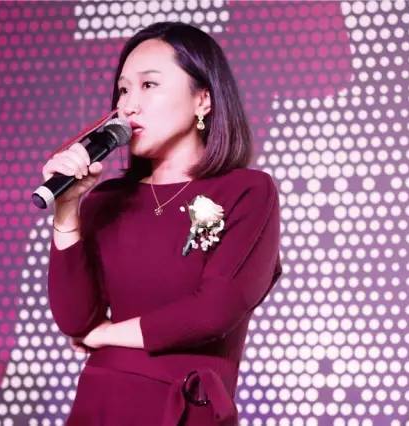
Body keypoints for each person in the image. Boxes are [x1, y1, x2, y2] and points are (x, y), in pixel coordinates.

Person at [42, 22, 282, 426]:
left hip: (185, 409)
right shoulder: (105, 201)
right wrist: (67, 210)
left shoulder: (248, 192)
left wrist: (105, 335)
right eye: (123, 90)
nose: (128, 106)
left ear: (202, 100)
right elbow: (75, 320)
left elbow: (214, 311)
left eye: (149, 85)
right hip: (101, 404)